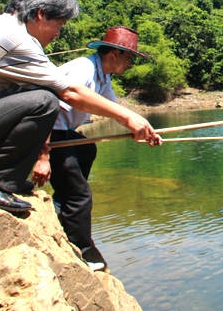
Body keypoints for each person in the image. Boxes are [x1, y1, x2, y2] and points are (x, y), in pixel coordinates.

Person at [0, 0, 162, 214]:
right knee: (45, 100)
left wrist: (134, 122)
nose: (58, 33)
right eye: (60, 24)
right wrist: (129, 117)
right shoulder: (16, 40)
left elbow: (105, 104)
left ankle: (2, 180)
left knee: (37, 96)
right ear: (40, 13)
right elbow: (69, 92)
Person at [39, 26, 153, 271]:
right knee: (81, 196)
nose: (131, 63)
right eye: (130, 57)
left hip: (61, 132)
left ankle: (62, 203)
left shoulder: (103, 76)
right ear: (114, 55)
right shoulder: (84, 70)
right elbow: (44, 104)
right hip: (45, 131)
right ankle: (83, 252)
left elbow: (116, 110)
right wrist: (43, 153)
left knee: (87, 148)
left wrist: (144, 130)